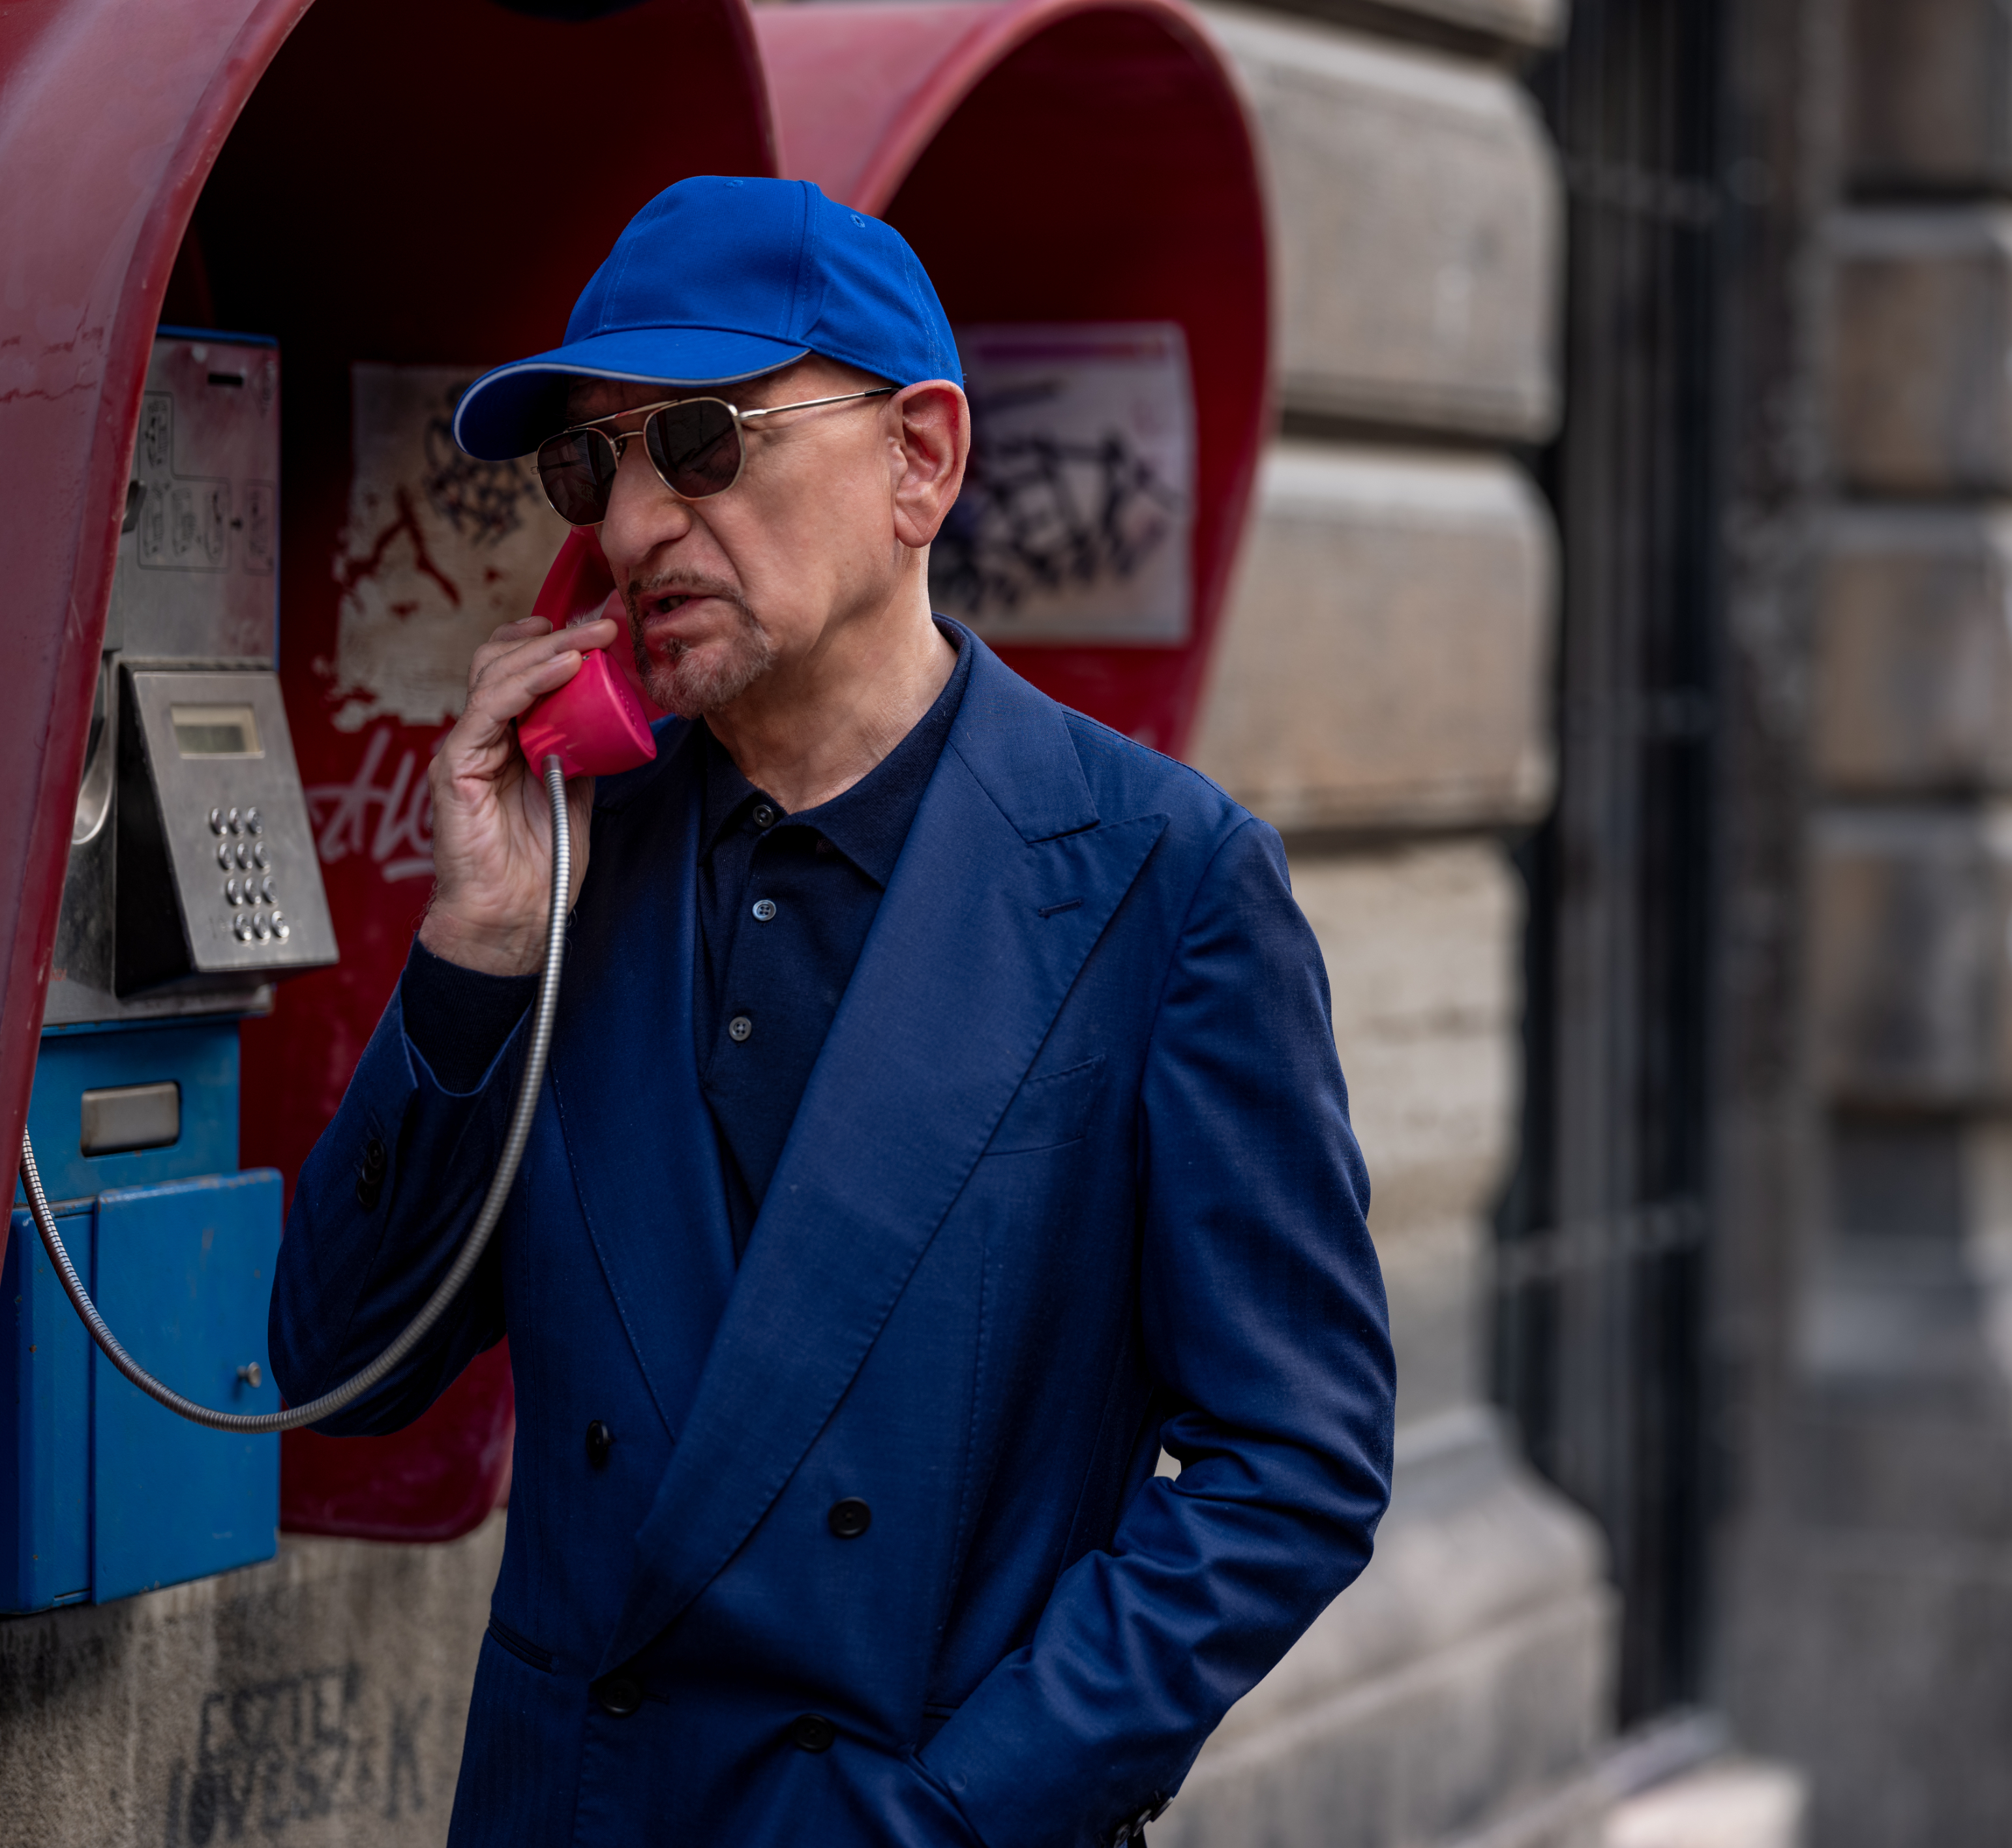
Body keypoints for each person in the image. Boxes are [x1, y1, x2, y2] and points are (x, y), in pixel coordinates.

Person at [269, 176, 1394, 1848]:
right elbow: (334, 1371)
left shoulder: (1158, 881)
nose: (638, 523)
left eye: (702, 441)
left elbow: (1289, 1465)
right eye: (597, 463)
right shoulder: (571, 870)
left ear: (918, 461)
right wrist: (477, 948)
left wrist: (971, 1802)